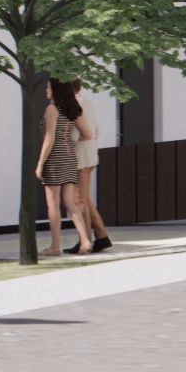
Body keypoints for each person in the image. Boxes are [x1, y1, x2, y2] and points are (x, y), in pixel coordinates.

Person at [35, 80, 94, 261]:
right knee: (70, 202)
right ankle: (85, 240)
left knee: (53, 205)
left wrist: (40, 163)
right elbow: (87, 134)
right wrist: (70, 143)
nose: (46, 90)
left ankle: (55, 247)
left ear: (56, 89)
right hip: (70, 158)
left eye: (48, 87)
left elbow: (49, 138)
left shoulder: (52, 109)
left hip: (55, 159)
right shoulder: (71, 108)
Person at [63, 85, 114, 254]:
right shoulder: (87, 101)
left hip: (78, 157)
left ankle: (84, 241)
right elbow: (96, 130)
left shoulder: (71, 104)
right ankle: (102, 236)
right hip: (90, 155)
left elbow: (73, 134)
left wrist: (65, 147)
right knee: (84, 198)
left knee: (78, 200)